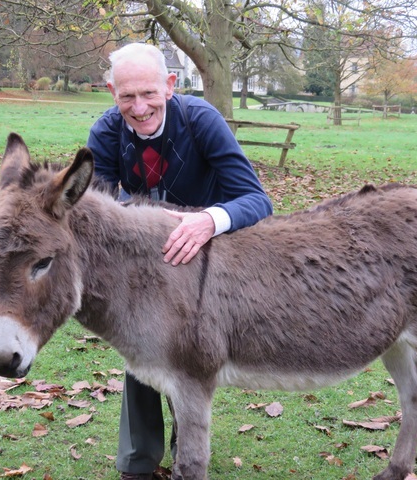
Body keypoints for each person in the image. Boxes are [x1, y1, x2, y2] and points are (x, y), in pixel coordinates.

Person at [86, 42, 273, 480]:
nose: (139, 106)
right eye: (126, 96)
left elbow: (257, 200)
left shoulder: (201, 120)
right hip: (139, 264)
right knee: (141, 344)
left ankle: (186, 443)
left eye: (149, 93)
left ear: (171, 85)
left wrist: (209, 220)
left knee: (189, 355)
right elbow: (99, 211)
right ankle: (138, 461)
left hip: (205, 259)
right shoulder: (106, 133)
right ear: (111, 91)